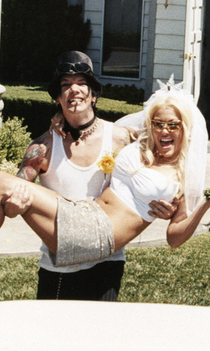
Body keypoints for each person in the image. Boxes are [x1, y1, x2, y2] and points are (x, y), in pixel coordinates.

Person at [0, 80, 210, 299]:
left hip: (99, 240)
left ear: (185, 129)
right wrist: (59, 121)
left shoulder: (182, 175)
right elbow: (96, 122)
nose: (165, 131)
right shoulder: (137, 141)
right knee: (0, 182)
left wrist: (206, 204)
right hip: (84, 214)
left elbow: (174, 237)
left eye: (174, 125)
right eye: (159, 124)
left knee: (4, 184)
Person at [21, 51, 135, 301]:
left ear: (93, 94)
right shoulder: (41, 148)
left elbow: (164, 138)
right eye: (65, 85)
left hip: (108, 259)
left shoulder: (120, 138)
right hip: (59, 264)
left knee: (99, 336)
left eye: (82, 83)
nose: (74, 90)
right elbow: (16, 193)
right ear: (57, 98)